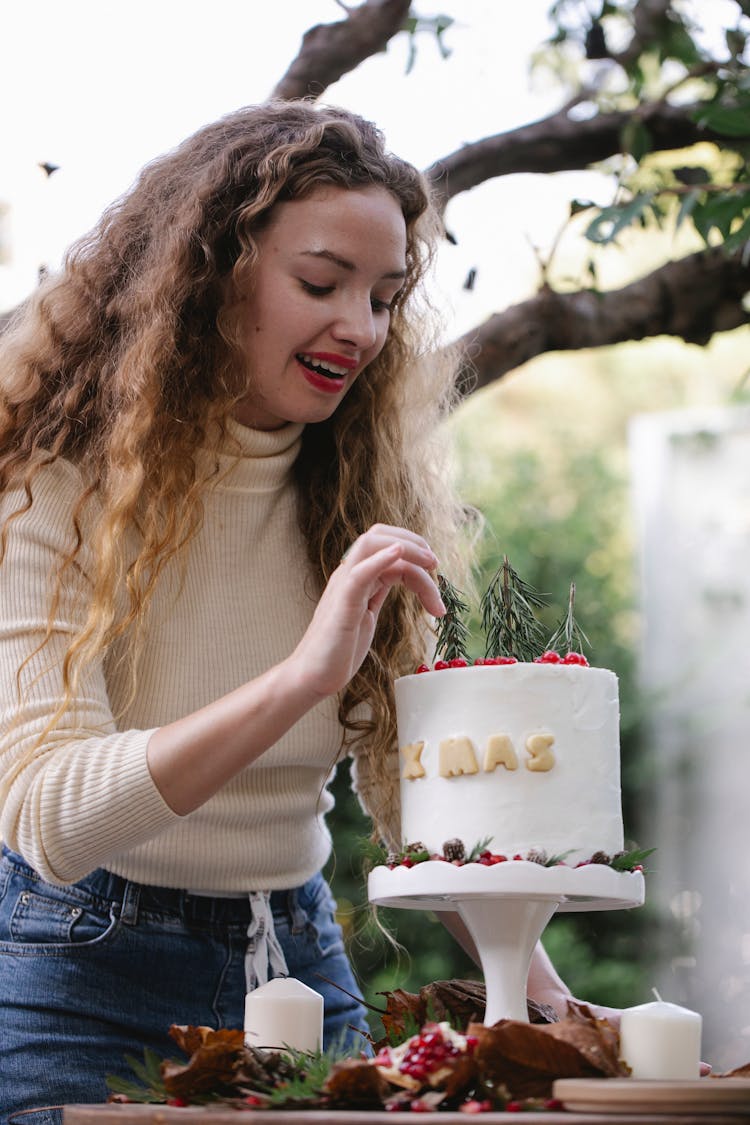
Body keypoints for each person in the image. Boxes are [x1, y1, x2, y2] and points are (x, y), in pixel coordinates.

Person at [0, 100, 591, 1124]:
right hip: (78, 975)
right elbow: (51, 816)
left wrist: (539, 992)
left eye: (384, 295)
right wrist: (300, 680)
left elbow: (424, 804)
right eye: (321, 284)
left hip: (298, 959)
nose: (360, 328)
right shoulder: (55, 485)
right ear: (212, 273)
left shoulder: (363, 490)